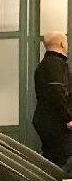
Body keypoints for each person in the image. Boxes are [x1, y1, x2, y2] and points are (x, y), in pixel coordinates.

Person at [33, 31, 72, 167]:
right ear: (62, 44)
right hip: (57, 123)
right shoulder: (56, 65)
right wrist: (68, 118)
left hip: (48, 121)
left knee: (54, 158)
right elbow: (57, 92)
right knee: (62, 161)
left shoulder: (44, 65)